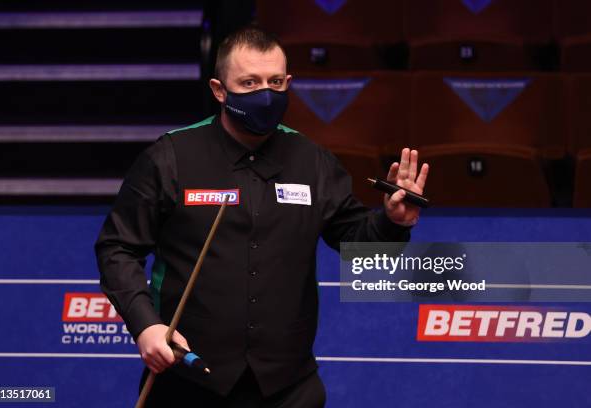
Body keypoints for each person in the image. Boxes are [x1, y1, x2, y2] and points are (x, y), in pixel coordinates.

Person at [94, 25, 429, 408]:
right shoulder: (170, 156)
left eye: (274, 81)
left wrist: (393, 220)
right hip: (189, 380)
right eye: (249, 83)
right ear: (220, 90)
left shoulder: (313, 161)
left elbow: (360, 246)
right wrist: (146, 324)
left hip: (288, 387)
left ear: (288, 82)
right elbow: (117, 248)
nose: (265, 95)